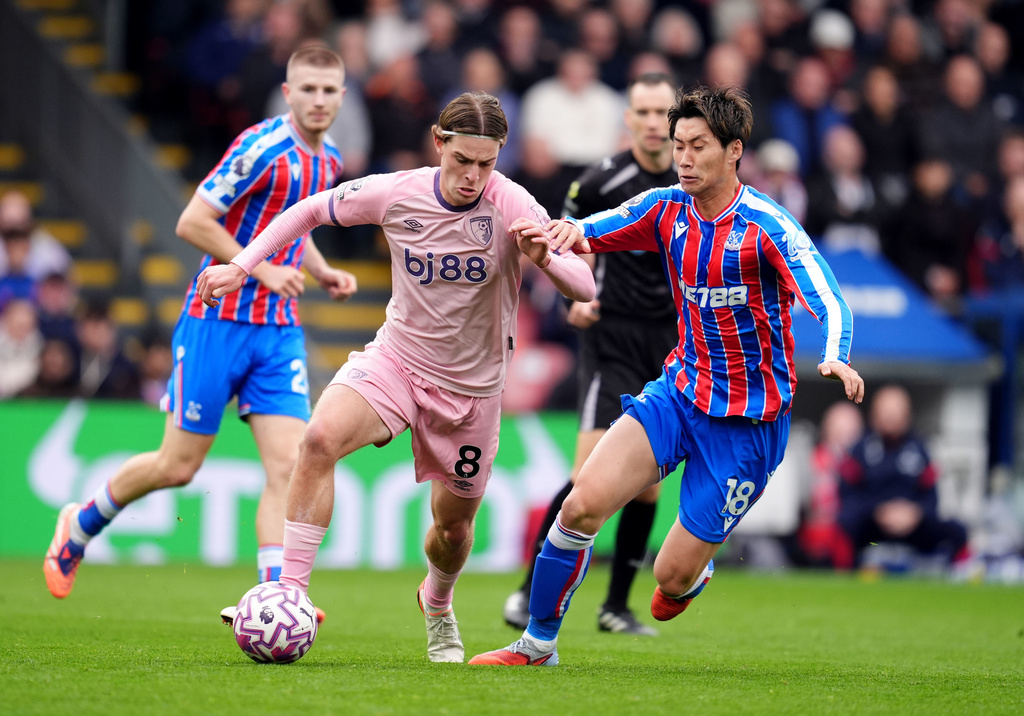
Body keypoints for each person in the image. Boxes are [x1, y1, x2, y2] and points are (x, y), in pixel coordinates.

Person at [469, 85, 863, 667]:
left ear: (733, 151)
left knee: (668, 579)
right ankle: (537, 644)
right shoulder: (665, 207)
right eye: (678, 145)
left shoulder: (768, 226)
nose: (683, 157)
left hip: (748, 427)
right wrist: (557, 234)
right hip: (678, 394)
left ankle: (688, 576)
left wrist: (836, 353)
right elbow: (592, 228)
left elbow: (827, 296)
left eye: (697, 146)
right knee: (579, 506)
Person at [195, 91, 596, 663]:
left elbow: (584, 286)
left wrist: (547, 258)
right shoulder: (397, 192)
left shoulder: (511, 204)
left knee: (452, 532)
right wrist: (242, 266)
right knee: (318, 440)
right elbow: (309, 211)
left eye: (487, 163)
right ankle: (291, 594)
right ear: (439, 143)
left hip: (472, 393)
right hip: (398, 362)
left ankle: (437, 601)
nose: (473, 176)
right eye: (462, 160)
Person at [43, 47, 357, 617]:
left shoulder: (328, 159)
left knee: (289, 467)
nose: (318, 100)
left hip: (276, 331)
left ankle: (274, 595)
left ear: (342, 95)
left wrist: (321, 269)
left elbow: (294, 223)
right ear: (286, 93)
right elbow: (192, 221)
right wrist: (259, 268)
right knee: (178, 466)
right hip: (217, 320)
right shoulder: (261, 147)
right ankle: (80, 522)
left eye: (329, 91)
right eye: (307, 89)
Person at [502, 72, 679, 637]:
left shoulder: (690, 183)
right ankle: (528, 589)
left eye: (663, 113)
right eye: (644, 112)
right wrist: (576, 300)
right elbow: (565, 244)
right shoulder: (601, 180)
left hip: (673, 340)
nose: (654, 123)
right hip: (613, 334)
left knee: (648, 481)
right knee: (588, 475)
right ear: (628, 119)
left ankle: (616, 607)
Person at [837, 385, 969, 571]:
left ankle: (954, 572)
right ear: (874, 415)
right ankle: (848, 570)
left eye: (896, 412)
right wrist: (878, 511)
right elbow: (848, 496)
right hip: (873, 528)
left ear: (907, 415)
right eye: (886, 412)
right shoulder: (860, 450)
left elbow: (932, 497)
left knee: (957, 530)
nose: (890, 417)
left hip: (913, 527)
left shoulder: (920, 449)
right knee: (844, 523)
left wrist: (915, 513)